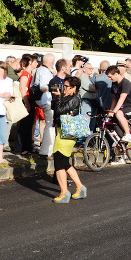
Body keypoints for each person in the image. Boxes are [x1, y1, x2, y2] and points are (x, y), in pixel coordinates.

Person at [50, 75, 87, 203]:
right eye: (63, 86)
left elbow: (59, 110)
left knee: (59, 163)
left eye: (66, 87)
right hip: (62, 132)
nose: (64, 88)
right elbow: (54, 108)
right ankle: (80, 187)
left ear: (74, 88)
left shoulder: (75, 99)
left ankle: (64, 193)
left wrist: (59, 97)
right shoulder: (68, 96)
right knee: (64, 162)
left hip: (67, 134)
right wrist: (56, 97)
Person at [105, 65, 131, 162]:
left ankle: (128, 134)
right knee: (114, 126)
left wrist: (115, 111)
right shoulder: (114, 83)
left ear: (116, 74)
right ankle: (123, 154)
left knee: (119, 114)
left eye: (110, 76)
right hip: (122, 109)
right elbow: (114, 99)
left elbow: (122, 98)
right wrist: (111, 111)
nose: (109, 79)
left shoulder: (126, 83)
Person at [32, 53, 56, 157]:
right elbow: (43, 87)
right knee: (50, 125)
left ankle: (46, 149)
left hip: (41, 100)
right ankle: (46, 150)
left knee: (47, 124)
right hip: (45, 100)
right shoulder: (45, 71)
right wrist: (54, 88)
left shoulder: (39, 69)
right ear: (52, 61)